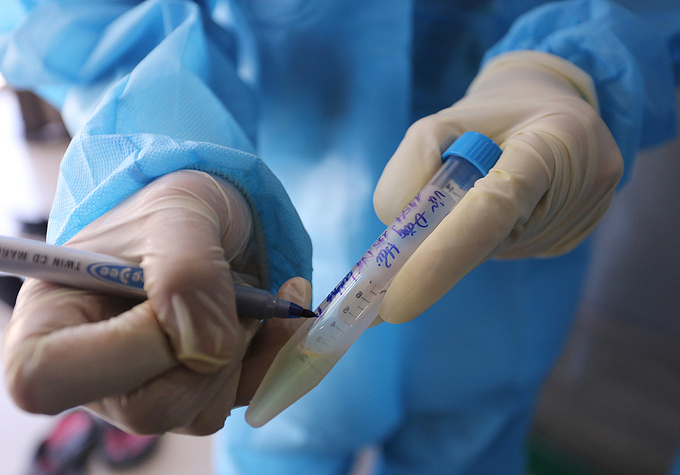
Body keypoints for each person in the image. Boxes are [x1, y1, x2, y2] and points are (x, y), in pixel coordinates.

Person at [1, 0, 678, 474]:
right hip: (264, 243)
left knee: (466, 447)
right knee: (279, 443)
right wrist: (169, 161)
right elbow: (87, 20)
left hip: (505, 255)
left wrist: (571, 72)